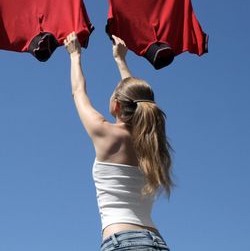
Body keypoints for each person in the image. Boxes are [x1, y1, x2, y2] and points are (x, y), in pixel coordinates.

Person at [64, 32, 173, 251]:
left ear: (116, 106)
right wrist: (120, 60)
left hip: (123, 242)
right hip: (156, 242)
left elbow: (78, 91)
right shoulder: (153, 145)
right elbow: (138, 97)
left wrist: (74, 55)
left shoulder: (107, 134)